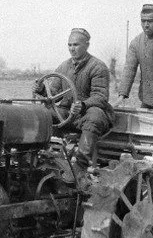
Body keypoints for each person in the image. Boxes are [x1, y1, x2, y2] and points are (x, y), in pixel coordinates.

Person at [32, 28, 113, 188]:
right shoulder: (63, 67)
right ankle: (35, 156)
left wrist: (83, 105)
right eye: (69, 45)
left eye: (76, 44)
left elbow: (100, 97)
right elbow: (54, 92)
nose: (72, 48)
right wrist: (42, 89)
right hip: (67, 113)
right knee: (41, 114)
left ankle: (80, 165)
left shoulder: (98, 67)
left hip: (86, 114)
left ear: (87, 45)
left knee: (95, 115)